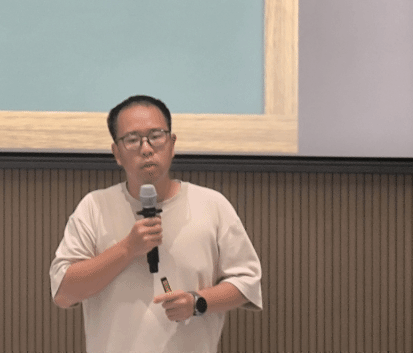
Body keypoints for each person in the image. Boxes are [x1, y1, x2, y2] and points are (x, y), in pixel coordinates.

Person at [50, 94, 262, 353]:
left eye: (156, 136)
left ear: (172, 144)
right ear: (117, 153)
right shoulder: (94, 207)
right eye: (132, 139)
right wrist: (127, 249)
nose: (146, 148)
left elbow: (247, 282)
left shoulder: (212, 204)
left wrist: (197, 302)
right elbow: (63, 293)